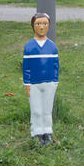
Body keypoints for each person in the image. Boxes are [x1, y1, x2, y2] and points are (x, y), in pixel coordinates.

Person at [23, 13, 59, 145]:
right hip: (34, 84)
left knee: (47, 110)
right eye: (38, 24)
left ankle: (47, 132)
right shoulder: (29, 47)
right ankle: (37, 133)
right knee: (36, 110)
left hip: (49, 83)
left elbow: (56, 65)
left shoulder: (52, 46)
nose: (42, 27)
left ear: (49, 26)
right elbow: (26, 67)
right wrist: (27, 83)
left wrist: (55, 81)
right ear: (33, 26)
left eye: (45, 24)